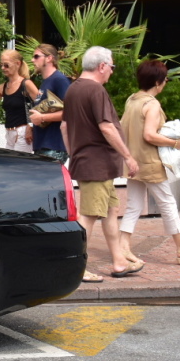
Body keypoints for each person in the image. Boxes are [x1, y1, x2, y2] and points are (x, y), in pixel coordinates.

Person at [119, 59, 180, 266]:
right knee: (168, 203)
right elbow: (150, 135)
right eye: (165, 79)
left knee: (134, 205)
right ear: (158, 82)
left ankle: (124, 246)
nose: (166, 82)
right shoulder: (151, 104)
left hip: (133, 161)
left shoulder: (132, 99)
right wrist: (176, 143)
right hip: (149, 162)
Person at [61, 46, 141, 281]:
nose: (112, 72)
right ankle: (77, 267)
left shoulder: (73, 89)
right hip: (97, 164)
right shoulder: (95, 90)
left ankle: (118, 262)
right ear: (102, 66)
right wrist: (128, 156)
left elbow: (64, 127)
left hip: (92, 163)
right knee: (89, 216)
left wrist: (74, 153)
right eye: (112, 67)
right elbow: (107, 127)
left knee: (110, 211)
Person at [0, 49, 40, 153]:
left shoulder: (26, 84)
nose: (3, 68)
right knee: (11, 165)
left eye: (6, 65)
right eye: (1, 65)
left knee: (18, 166)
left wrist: (31, 126)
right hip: (9, 132)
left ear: (17, 64)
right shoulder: (3, 87)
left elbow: (41, 105)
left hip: (23, 132)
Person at [28, 43, 71, 162]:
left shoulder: (59, 80)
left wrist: (42, 118)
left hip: (53, 147)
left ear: (49, 58)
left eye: (36, 56)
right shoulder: (46, 81)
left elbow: (70, 113)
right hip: (43, 146)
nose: (32, 60)